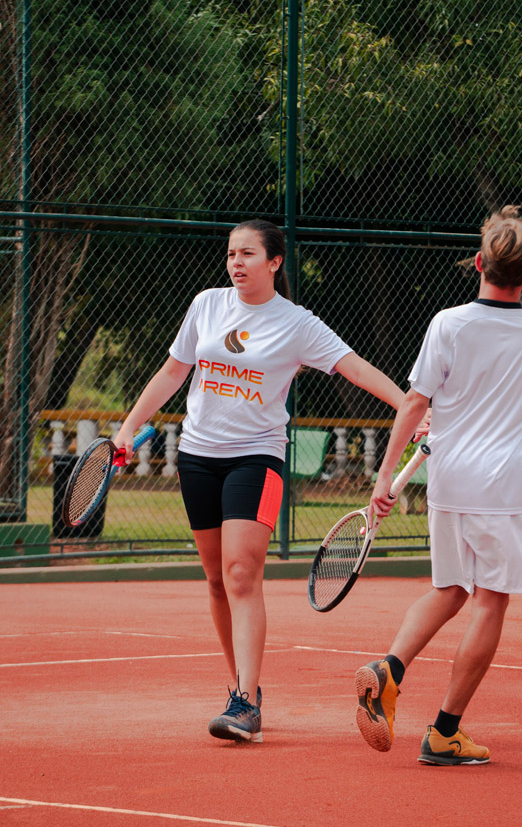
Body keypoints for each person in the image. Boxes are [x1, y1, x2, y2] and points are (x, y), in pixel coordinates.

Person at [113, 218, 404, 744]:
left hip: (257, 458)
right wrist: (129, 426)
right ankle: (239, 690)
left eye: (247, 253)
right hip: (197, 457)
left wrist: (409, 407)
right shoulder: (206, 305)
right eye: (231, 254)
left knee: (242, 574)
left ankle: (246, 703)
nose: (236, 263)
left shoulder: (297, 323)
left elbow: (355, 368)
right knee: (216, 580)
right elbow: (173, 372)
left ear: (274, 262)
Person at [354, 205, 522, 766]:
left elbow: (417, 402)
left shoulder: (447, 323)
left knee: (449, 589)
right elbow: (507, 402)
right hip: (504, 489)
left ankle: (390, 668)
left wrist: (385, 475)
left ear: (478, 263)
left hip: (448, 481)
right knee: (489, 601)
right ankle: (444, 733)